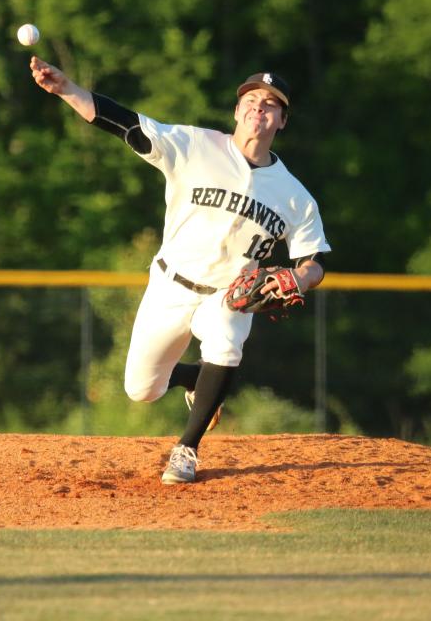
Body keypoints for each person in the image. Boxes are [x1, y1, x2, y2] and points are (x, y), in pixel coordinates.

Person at [29, 56, 330, 484]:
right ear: (237, 110)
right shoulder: (195, 146)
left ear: (282, 120)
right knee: (141, 389)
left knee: (226, 342)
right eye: (250, 100)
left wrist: (300, 278)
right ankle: (194, 378)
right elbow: (125, 124)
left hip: (230, 292)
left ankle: (186, 450)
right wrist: (67, 90)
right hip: (170, 284)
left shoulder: (295, 196)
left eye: (270, 104)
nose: (258, 108)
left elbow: (316, 260)